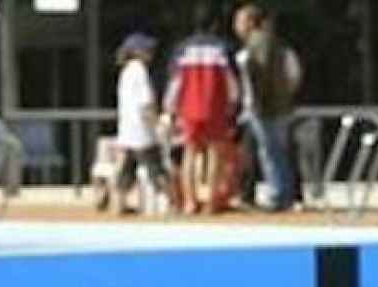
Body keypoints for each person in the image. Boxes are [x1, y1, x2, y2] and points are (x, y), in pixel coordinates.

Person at [164, 6, 240, 214]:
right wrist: (234, 105)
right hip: (215, 106)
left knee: (190, 152)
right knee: (215, 152)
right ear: (216, 25)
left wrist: (170, 109)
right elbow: (232, 82)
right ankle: (211, 202)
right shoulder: (223, 48)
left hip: (188, 108)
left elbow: (175, 83)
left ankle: (190, 201)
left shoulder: (182, 49)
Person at [233, 4, 303, 211]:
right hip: (280, 106)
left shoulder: (255, 46)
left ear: (250, 23)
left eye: (240, 21)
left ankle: (278, 196)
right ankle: (286, 194)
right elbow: (293, 75)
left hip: (264, 108)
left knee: (270, 153)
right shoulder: (278, 45)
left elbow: (257, 78)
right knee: (278, 152)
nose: (236, 26)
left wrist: (257, 102)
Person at [110, 32, 171, 215]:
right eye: (147, 49)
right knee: (156, 169)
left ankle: (118, 204)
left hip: (127, 130)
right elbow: (145, 104)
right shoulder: (140, 71)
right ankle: (166, 205)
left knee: (127, 171)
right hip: (142, 132)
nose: (151, 52)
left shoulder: (126, 71)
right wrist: (157, 124)